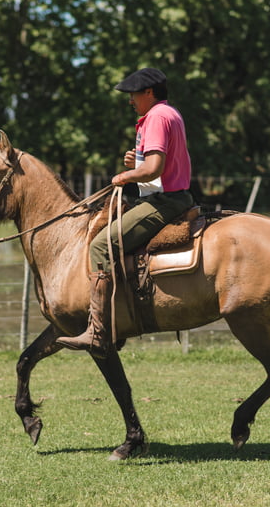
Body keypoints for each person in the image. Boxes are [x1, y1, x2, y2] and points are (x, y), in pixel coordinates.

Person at [57, 67, 195, 352]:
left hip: (163, 201)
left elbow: (154, 169)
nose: (130, 100)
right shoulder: (169, 114)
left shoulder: (156, 116)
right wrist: (137, 164)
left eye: (133, 94)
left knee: (100, 246)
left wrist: (126, 175)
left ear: (149, 92)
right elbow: (158, 166)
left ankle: (98, 330)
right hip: (172, 196)